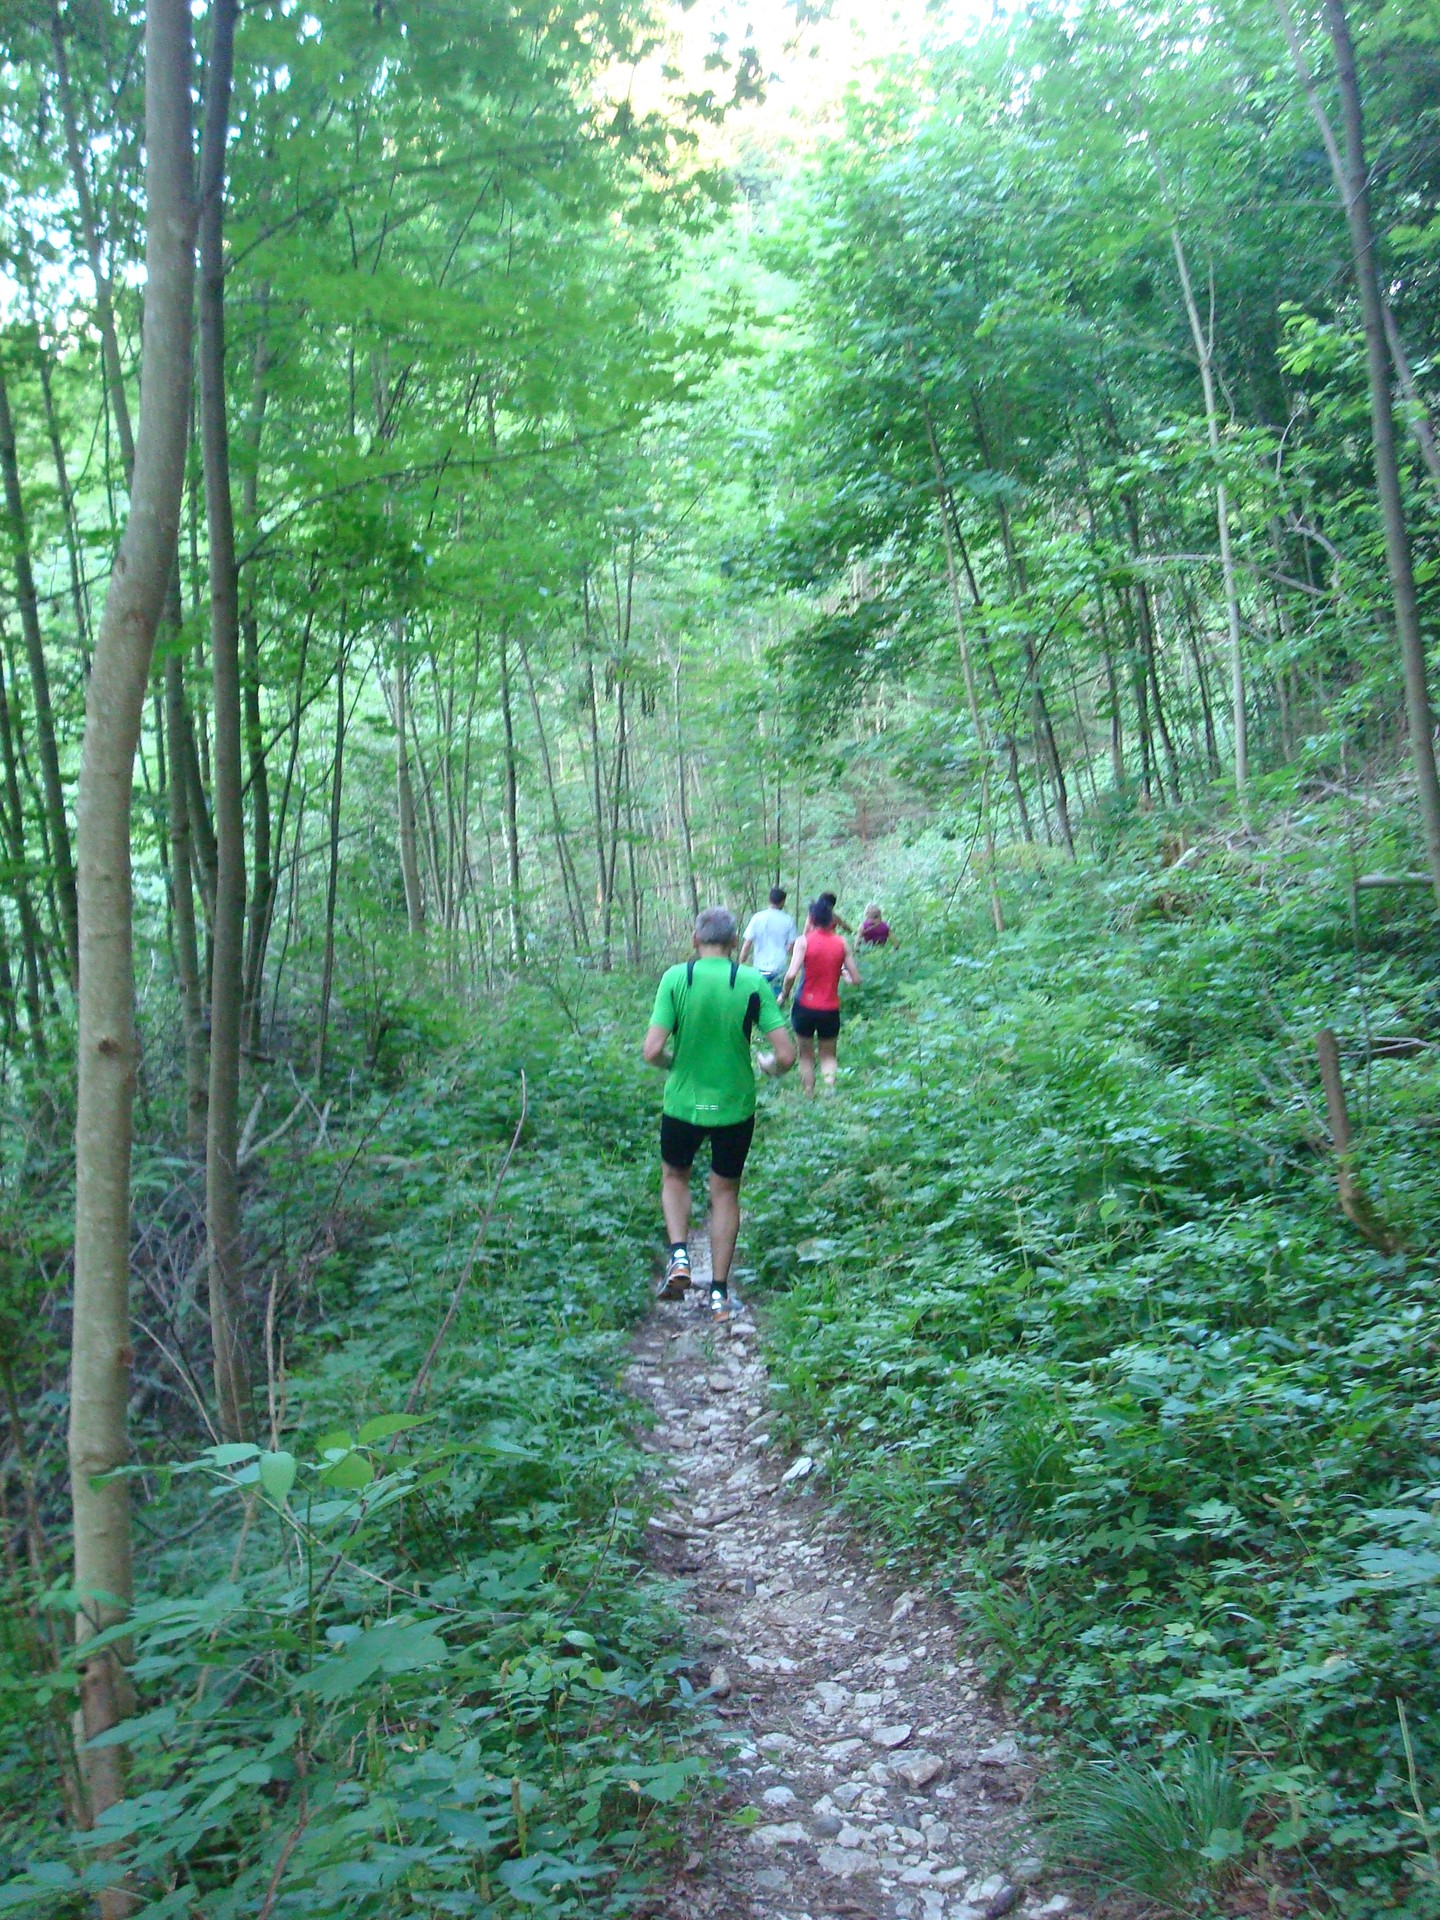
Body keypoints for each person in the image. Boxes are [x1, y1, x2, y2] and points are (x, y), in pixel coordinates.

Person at [643, 906, 796, 1319]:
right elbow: (787, 1054)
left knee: (675, 1176)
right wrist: (771, 1068)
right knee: (724, 1191)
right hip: (734, 1107)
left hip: (682, 1104)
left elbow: (652, 1050)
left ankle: (679, 1256)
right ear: (733, 945)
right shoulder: (749, 982)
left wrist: (672, 1063)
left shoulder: (677, 978)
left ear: (695, 940)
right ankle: (719, 1294)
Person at [782, 896, 860, 1096]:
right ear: (831, 920)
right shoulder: (842, 943)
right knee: (828, 1054)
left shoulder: (803, 942)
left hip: (804, 1007)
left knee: (806, 1054)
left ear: (812, 919)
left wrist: (784, 994)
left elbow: (791, 974)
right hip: (830, 1008)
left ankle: (809, 1092)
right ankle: (831, 1092)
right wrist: (843, 974)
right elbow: (856, 979)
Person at [740, 885, 798, 997]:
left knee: (758, 1000)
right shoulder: (788, 920)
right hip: (779, 968)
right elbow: (792, 947)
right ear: (782, 902)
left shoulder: (757, 918)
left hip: (759, 968)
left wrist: (741, 963)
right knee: (776, 1001)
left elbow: (747, 944)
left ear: (769, 900)